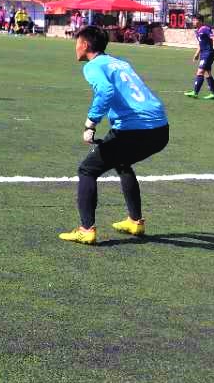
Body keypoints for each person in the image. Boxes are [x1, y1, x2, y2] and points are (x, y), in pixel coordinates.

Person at [59, 25, 170, 245]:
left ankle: (86, 230)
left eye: (77, 42)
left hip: (135, 129)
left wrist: (90, 124)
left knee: (87, 170)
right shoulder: (120, 62)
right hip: (160, 129)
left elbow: (106, 91)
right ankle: (135, 221)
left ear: (85, 44)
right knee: (122, 162)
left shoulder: (93, 66)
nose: (76, 47)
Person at [183, 16, 214, 99]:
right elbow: (200, 44)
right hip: (203, 54)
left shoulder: (205, 29)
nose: (193, 22)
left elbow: (213, 37)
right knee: (207, 74)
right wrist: (196, 54)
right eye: (193, 20)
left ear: (201, 21)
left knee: (200, 72)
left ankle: (195, 92)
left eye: (195, 20)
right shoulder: (197, 31)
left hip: (208, 54)